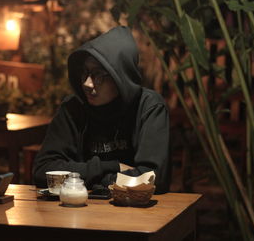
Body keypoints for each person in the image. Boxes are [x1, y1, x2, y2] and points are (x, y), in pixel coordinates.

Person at [33, 26, 171, 194]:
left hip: (136, 212)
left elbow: (153, 179)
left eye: (98, 75)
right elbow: (43, 171)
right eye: (85, 73)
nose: (87, 83)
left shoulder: (149, 107)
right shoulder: (73, 108)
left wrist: (93, 180)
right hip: (78, 211)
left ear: (120, 76)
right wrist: (114, 167)